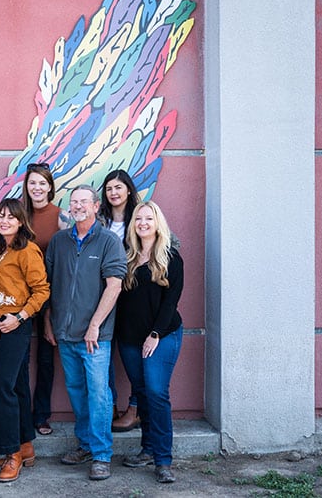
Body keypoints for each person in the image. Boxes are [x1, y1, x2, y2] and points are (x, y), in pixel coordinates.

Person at [44, 185, 126, 481]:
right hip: (66, 334)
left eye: (83, 202)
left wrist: (95, 325)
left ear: (95, 206)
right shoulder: (59, 242)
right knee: (77, 393)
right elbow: (49, 286)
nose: (77, 206)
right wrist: (48, 322)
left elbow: (114, 286)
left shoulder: (108, 241)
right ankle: (86, 445)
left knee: (99, 395)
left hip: (95, 337)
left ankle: (102, 454)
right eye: (73, 202)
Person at [117, 201, 183, 484]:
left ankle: (163, 460)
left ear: (158, 223)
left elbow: (171, 301)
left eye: (149, 218)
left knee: (156, 392)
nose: (143, 223)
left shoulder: (170, 256)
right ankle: (147, 449)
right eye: (138, 218)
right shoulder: (125, 253)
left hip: (162, 335)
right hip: (129, 338)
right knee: (142, 392)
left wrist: (155, 334)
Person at [0, 199, 50, 482]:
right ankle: (25, 445)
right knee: (18, 384)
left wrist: (20, 318)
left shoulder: (27, 250)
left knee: (2, 387)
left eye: (11, 217)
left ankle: (11, 454)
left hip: (14, 323)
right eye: (1, 216)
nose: (5, 221)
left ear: (21, 221)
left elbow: (42, 290)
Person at [20, 162, 67, 436]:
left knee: (47, 357)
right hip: (20, 297)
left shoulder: (62, 217)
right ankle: (22, 413)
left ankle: (41, 415)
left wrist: (50, 308)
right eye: (32, 183)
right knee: (20, 358)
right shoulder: (19, 215)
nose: (37, 188)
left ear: (50, 186)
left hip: (51, 296)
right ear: (26, 187)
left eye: (42, 183)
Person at [99, 169, 142, 432]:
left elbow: (167, 245)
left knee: (132, 357)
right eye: (109, 188)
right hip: (103, 295)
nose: (114, 193)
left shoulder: (141, 217)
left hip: (132, 297)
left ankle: (136, 408)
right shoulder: (99, 220)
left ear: (128, 190)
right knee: (104, 355)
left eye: (118, 187)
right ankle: (110, 406)